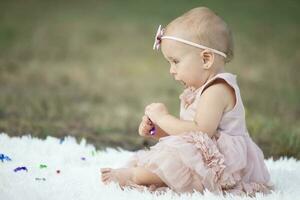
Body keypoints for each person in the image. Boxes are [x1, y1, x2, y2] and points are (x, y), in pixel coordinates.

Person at [101, 7, 274, 197]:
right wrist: (156, 130)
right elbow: (189, 139)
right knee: (170, 159)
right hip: (206, 155)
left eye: (175, 61)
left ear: (206, 59)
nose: (171, 71)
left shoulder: (217, 90)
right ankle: (146, 174)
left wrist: (163, 117)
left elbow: (201, 132)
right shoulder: (199, 89)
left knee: (176, 166)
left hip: (225, 163)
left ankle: (136, 176)